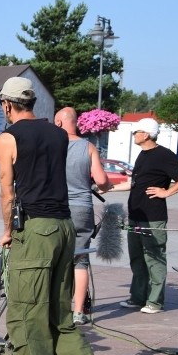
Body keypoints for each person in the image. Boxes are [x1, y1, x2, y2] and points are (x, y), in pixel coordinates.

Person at [0, 77, 117, 355]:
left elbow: (8, 192)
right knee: (60, 318)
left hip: (35, 230)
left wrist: (7, 232)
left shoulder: (8, 138)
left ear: (7, 104)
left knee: (26, 320)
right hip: (65, 228)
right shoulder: (59, 134)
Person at [110, 117, 178, 313]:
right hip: (135, 215)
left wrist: (167, 192)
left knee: (154, 258)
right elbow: (135, 184)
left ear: (146, 134)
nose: (134, 135)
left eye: (136, 132)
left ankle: (155, 301)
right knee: (137, 258)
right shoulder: (143, 155)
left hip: (153, 217)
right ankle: (138, 297)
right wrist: (108, 188)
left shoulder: (163, 154)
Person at [54, 107, 114, 325]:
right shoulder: (88, 146)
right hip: (81, 208)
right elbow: (100, 181)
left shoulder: (51, 146)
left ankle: (55, 307)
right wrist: (108, 185)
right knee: (80, 260)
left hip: (55, 208)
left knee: (55, 258)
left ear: (59, 123)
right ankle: (78, 312)